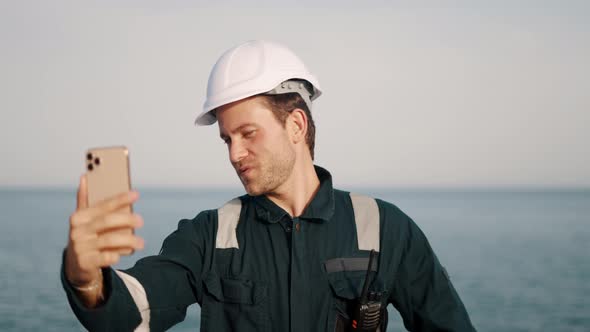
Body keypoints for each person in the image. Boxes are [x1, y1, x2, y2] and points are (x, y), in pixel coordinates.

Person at [62, 40, 476, 332]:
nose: (234, 153)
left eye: (248, 134)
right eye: (227, 139)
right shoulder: (209, 235)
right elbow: (131, 312)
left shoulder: (387, 229)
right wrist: (87, 279)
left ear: (296, 125)